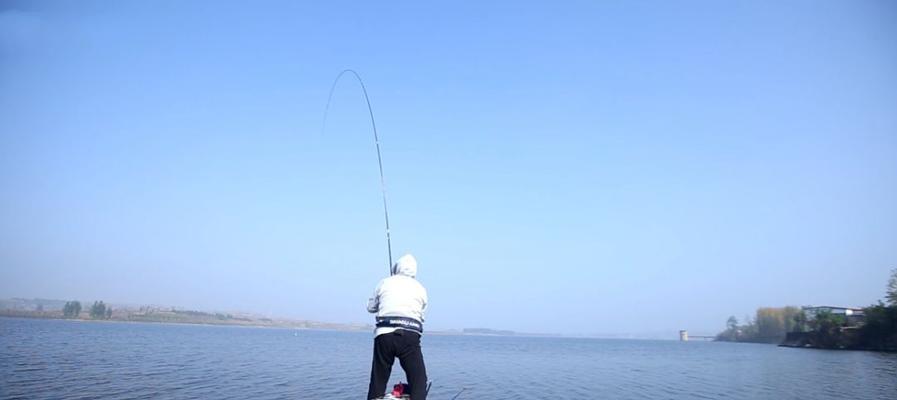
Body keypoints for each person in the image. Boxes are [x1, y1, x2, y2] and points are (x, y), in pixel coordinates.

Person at [366, 254, 429, 400]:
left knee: (378, 379)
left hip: (385, 335)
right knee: (419, 380)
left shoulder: (384, 282)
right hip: (410, 337)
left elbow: (371, 307)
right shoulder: (421, 288)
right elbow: (422, 315)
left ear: (396, 267)